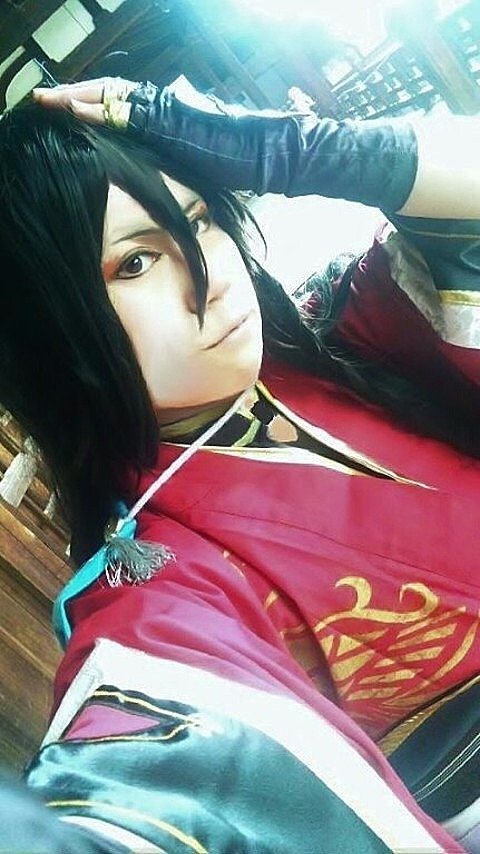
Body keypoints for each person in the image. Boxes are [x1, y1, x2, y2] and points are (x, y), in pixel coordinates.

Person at [1, 75, 480, 852]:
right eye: (134, 263)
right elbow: (146, 795)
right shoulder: (156, 582)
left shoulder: (351, 334)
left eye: (198, 219)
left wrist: (301, 153)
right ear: (43, 333)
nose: (210, 273)